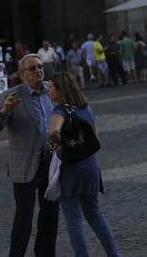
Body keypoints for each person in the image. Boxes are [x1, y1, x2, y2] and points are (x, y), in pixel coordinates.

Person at [0, 54, 59, 257]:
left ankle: (45, 254)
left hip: (50, 162)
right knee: (24, 218)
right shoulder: (13, 95)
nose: (38, 70)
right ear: (22, 74)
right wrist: (4, 111)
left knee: (50, 214)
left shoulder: (51, 90)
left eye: (40, 66)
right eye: (32, 68)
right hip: (24, 165)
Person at [46, 73, 121, 257]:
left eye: (52, 87)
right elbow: (95, 137)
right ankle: (114, 254)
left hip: (71, 168)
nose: (49, 90)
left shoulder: (60, 111)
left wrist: (58, 141)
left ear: (60, 89)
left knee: (73, 217)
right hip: (91, 166)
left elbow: (54, 131)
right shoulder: (86, 108)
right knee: (95, 214)